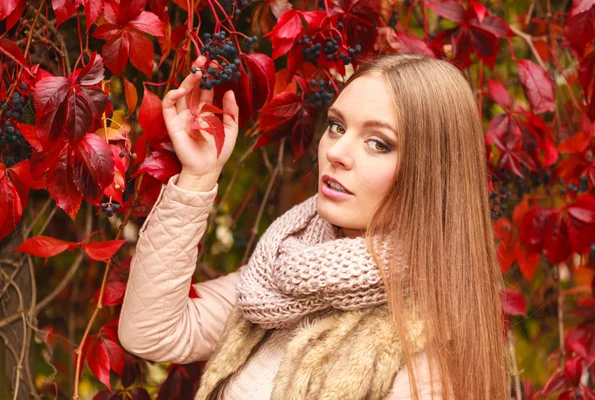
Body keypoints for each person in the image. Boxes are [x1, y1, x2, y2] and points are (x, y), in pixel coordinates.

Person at [118, 52, 509, 399]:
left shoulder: (425, 355)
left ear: (432, 174)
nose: (336, 152)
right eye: (337, 126)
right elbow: (151, 330)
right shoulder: (288, 266)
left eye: (378, 143)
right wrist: (198, 176)